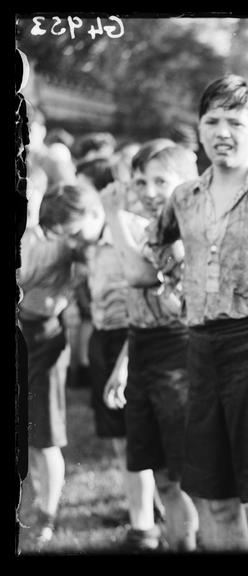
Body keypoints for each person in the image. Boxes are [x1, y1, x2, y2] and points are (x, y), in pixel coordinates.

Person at [148, 74, 248, 552]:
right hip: (201, 350)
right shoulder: (183, 196)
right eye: (211, 120)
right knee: (213, 492)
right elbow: (160, 243)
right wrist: (171, 285)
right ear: (199, 128)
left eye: (235, 121)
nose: (221, 131)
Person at [38, 184, 162, 551]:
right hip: (103, 336)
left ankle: (146, 529)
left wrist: (124, 360)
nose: (72, 242)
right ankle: (144, 508)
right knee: (116, 437)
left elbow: (146, 303)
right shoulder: (86, 246)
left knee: (137, 438)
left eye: (74, 232)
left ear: (95, 213)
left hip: (135, 337)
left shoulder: (131, 233)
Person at [97, 139, 201, 551]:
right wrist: (124, 363)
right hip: (142, 350)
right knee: (160, 475)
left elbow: (141, 275)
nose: (148, 189)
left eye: (161, 180)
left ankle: (192, 542)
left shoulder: (178, 232)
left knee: (182, 474)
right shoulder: (142, 225)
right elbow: (140, 311)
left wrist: (110, 212)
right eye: (140, 180)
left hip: (178, 354)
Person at [17, 165, 77, 546]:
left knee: (45, 436)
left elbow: (24, 276)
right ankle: (35, 502)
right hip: (23, 329)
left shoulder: (56, 240)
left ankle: (47, 513)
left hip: (44, 336)